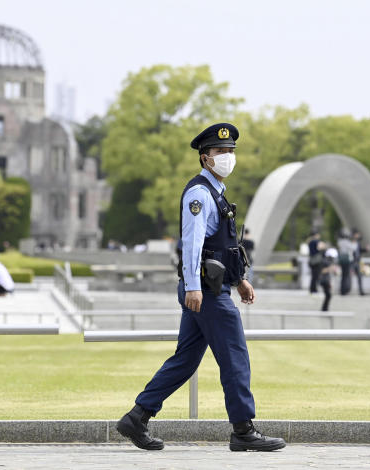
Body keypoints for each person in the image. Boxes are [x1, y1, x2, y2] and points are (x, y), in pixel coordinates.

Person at [116, 123, 285, 452]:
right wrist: (193, 286)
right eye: (221, 152)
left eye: (231, 152)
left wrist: (240, 280)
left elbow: (224, 248)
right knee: (234, 355)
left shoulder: (216, 194)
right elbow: (192, 246)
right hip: (205, 291)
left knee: (185, 360)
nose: (227, 157)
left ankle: (137, 418)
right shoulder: (199, 195)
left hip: (210, 288)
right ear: (205, 158)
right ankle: (243, 430)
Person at [336, 229, 354, 295]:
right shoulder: (347, 242)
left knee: (343, 275)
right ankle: (345, 289)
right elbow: (353, 248)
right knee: (346, 275)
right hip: (347, 260)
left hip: (341, 260)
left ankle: (342, 290)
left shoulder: (339, 241)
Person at [351, 229, 366, 295]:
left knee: (360, 276)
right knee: (349, 275)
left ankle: (361, 291)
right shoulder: (351, 241)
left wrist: (365, 249)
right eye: (358, 234)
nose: (359, 236)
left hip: (358, 260)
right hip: (352, 261)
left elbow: (359, 250)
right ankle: (347, 289)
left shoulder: (358, 242)